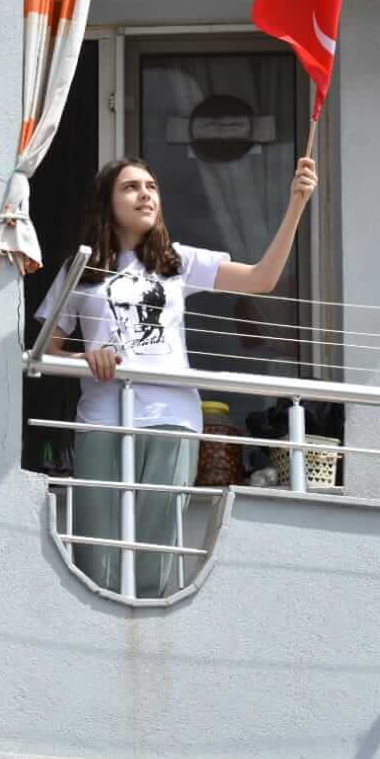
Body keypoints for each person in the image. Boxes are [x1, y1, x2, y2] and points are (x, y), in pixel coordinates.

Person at [36, 155, 317, 597]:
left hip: (173, 417)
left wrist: (297, 204)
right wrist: (89, 354)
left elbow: (261, 280)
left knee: (155, 556)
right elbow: (47, 348)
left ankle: (146, 636)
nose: (145, 194)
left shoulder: (176, 260)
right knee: (96, 559)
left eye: (151, 186)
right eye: (130, 187)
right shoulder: (82, 268)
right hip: (102, 418)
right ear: (106, 202)